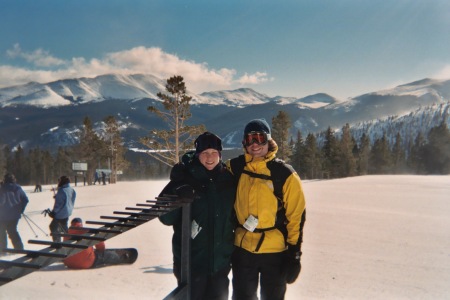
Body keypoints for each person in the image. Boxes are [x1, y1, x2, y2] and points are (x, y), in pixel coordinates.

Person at [226, 119, 306, 300]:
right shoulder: (235, 167)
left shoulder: (284, 174)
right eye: (250, 139)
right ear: (244, 143)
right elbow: (211, 172)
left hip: (274, 251)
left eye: (260, 138)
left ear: (269, 141)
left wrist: (294, 253)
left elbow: (296, 216)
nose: (255, 144)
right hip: (243, 248)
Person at [159, 132, 236, 300]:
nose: (210, 158)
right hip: (192, 264)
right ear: (197, 154)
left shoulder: (228, 180)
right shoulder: (186, 176)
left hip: (220, 264)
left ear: (220, 155)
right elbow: (165, 218)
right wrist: (176, 189)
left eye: (214, 153)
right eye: (205, 153)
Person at [0, 173, 29, 252]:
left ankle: (3, 250)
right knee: (13, 231)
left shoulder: (2, 188)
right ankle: (19, 249)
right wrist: (21, 209)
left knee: (2, 232)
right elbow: (25, 200)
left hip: (3, 216)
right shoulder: (18, 188)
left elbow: (1, 202)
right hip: (15, 215)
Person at [49, 175, 76, 242]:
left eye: (59, 181)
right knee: (63, 226)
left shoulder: (62, 191)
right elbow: (71, 199)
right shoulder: (71, 189)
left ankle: (57, 243)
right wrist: (58, 197)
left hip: (61, 213)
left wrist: (53, 212)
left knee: (53, 226)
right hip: (67, 211)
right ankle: (69, 240)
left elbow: (59, 204)